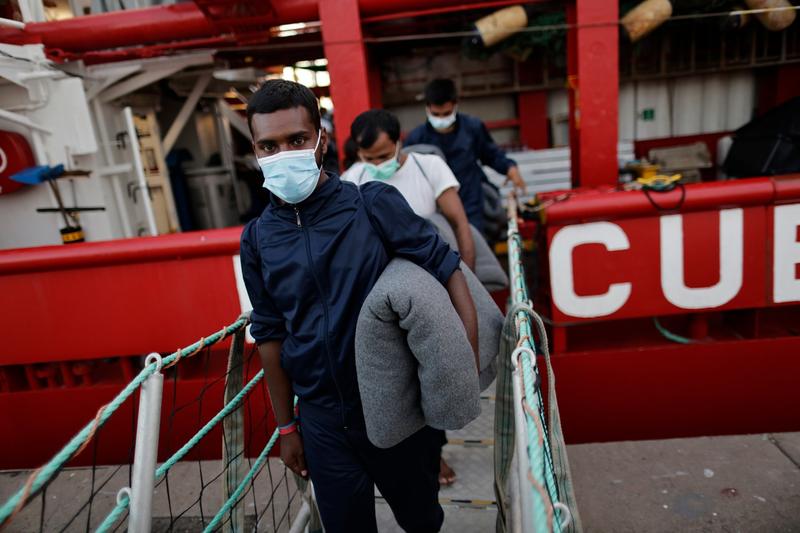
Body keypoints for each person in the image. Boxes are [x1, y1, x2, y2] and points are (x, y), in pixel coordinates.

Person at [239, 79, 479, 533]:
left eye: (297, 140)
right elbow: (269, 334)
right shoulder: (256, 240)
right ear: (255, 150)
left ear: (321, 140)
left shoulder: (372, 205)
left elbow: (448, 269)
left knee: (422, 520)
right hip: (322, 419)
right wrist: (288, 429)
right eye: (269, 145)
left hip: (394, 408)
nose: (283, 153)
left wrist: (462, 360)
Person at [343, 109, 476, 272]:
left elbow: (460, 223)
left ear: (398, 143)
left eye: (384, 156)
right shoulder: (352, 179)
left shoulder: (430, 167)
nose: (377, 164)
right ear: (359, 152)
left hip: (434, 267)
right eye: (369, 159)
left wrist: (468, 274)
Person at [404, 78, 527, 233]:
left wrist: (510, 168)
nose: (441, 119)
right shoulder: (416, 140)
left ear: (456, 104)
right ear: (427, 108)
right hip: (435, 208)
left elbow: (490, 154)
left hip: (471, 201)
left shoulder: (472, 128)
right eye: (436, 114)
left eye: (446, 114)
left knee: (476, 243)